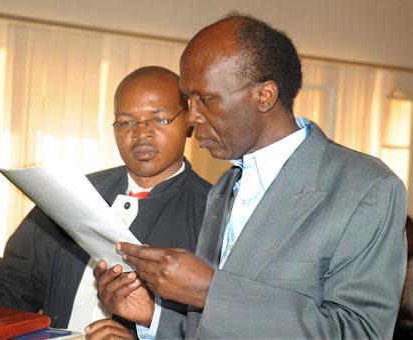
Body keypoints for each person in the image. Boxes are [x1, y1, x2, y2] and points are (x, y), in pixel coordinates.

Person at [93, 14, 408, 339]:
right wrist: (152, 317)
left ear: (265, 96)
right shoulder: (226, 186)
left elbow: (360, 333)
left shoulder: (366, 188)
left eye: (207, 100)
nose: (191, 117)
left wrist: (208, 291)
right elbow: (213, 327)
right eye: (188, 99)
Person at [0, 66, 211, 338]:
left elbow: (230, 324)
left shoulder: (215, 212)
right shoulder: (68, 195)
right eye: (126, 121)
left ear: (189, 121)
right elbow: (11, 287)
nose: (141, 133)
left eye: (160, 119)